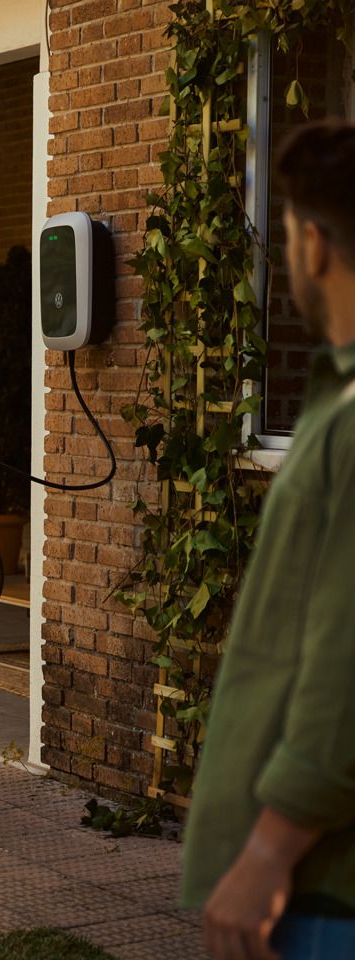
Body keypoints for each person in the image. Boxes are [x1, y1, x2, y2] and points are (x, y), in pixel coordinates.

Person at [181, 120, 355, 959]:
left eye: (284, 235)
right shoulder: (336, 401)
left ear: (313, 246)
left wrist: (267, 852)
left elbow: (345, 662)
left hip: (326, 886)